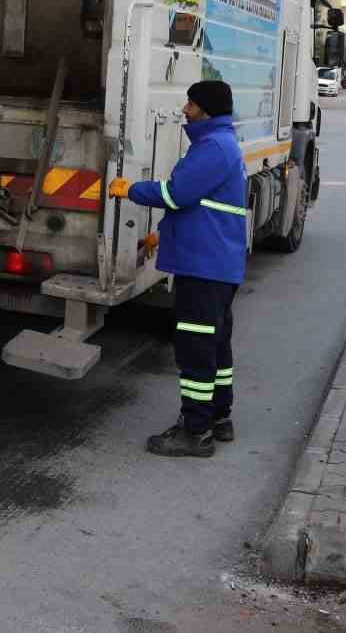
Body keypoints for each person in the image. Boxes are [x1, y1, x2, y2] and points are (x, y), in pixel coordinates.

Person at [108, 79, 248, 458]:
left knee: (195, 347)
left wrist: (129, 189)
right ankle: (219, 418)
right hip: (215, 263)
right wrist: (160, 237)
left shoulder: (213, 148)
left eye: (191, 103)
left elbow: (176, 194)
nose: (185, 108)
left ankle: (195, 431)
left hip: (204, 266)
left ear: (205, 108)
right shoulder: (219, 144)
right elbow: (198, 207)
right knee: (215, 344)